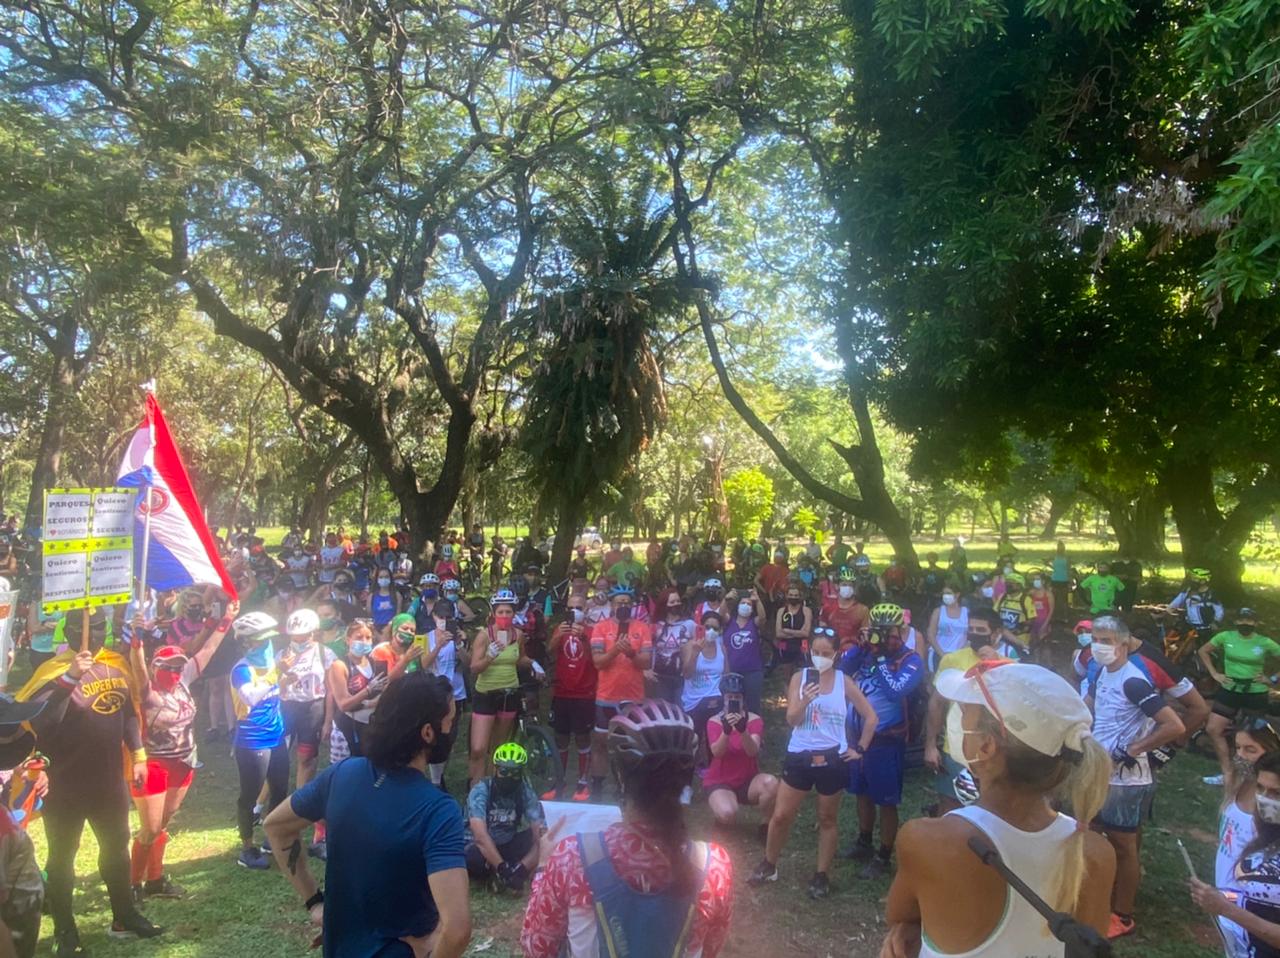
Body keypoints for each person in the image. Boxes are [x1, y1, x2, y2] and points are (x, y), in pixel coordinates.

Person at [880, 661, 1116, 958]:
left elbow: (901, 916)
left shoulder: (929, 839)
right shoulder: (1096, 852)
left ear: (987, 747)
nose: (958, 721)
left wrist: (911, 928)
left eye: (964, 713)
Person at [264, 671, 471, 958]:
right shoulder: (438, 810)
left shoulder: (342, 773)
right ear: (428, 732)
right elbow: (457, 929)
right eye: (449, 721)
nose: (453, 729)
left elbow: (276, 826)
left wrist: (314, 901)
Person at [520, 699, 734, 958]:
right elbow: (710, 949)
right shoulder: (714, 867)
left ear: (620, 776)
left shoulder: (572, 858)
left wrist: (543, 866)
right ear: (685, 782)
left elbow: (536, 947)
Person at [17, 608, 161, 951]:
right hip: (65, 783)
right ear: (67, 632)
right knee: (62, 855)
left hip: (107, 779)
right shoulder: (51, 672)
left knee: (116, 847)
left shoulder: (114, 663)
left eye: (99, 627)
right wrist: (68, 679)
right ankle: (66, 931)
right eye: (85, 628)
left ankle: (124, 914)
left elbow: (127, 710)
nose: (93, 634)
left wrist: (139, 755)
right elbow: (42, 725)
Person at [748, 630, 879, 899]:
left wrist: (860, 749)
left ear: (836, 655)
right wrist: (806, 699)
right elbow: (792, 720)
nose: (820, 658)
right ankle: (769, 864)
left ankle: (821, 875)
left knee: (827, 818)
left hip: (833, 758)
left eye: (826, 654)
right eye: (816, 653)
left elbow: (871, 717)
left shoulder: (844, 682)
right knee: (782, 815)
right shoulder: (800, 678)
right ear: (810, 653)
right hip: (799, 755)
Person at [1085, 614, 1186, 938]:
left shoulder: (1133, 680)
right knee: (1094, 835)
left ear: (1125, 645)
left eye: (1107, 641)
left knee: (1125, 846)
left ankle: (1123, 915)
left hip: (1126, 781)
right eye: (1095, 639)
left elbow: (1175, 725)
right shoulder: (1102, 672)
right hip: (1100, 772)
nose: (1099, 646)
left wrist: (1133, 749)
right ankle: (1099, 897)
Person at [128, 601, 238, 903]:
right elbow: (138, 669)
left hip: (184, 762)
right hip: (153, 764)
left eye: (178, 666)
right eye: (168, 667)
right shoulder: (148, 691)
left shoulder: (184, 682)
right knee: (149, 828)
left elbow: (206, 652)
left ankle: (155, 879)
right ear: (156, 668)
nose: (175, 671)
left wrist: (225, 621)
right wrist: (136, 641)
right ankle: (132, 883)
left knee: (163, 825)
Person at [838, 603, 926, 878]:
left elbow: (895, 690)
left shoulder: (910, 660)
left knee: (886, 801)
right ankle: (864, 841)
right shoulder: (867, 653)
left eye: (888, 632)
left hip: (887, 740)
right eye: (878, 632)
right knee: (861, 792)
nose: (883, 637)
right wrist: (862, 647)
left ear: (900, 630)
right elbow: (840, 669)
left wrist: (879, 660)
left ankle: (884, 855)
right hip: (858, 738)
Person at [1202, 719, 1280, 957]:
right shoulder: (1240, 785)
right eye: (1238, 748)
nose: (1241, 756)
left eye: (1250, 749)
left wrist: (1229, 908)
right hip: (1234, 903)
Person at [921, 609, 1004, 815]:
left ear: (995, 634)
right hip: (955, 750)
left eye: (981, 629)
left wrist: (995, 664)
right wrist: (931, 745)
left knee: (989, 811)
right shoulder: (952, 660)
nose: (975, 633)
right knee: (950, 808)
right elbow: (937, 703)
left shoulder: (1009, 665)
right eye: (971, 629)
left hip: (991, 753)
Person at [228, 611, 290, 871]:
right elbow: (251, 698)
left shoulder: (271, 664)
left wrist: (286, 678)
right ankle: (247, 849)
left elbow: (277, 693)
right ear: (246, 642)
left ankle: (271, 838)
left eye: (268, 640)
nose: (267, 645)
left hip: (276, 736)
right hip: (253, 741)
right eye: (260, 641)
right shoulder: (242, 669)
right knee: (250, 796)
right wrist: (275, 673)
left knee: (280, 789)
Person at [276, 608, 335, 860]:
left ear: (314, 633)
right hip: (288, 706)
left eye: (304, 636)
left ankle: (300, 805)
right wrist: (282, 672)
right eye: (295, 636)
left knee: (306, 759)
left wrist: (328, 721)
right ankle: (268, 805)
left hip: (313, 707)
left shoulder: (325, 653)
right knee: (277, 758)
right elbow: (273, 687)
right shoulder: (281, 654)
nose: (299, 641)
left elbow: (332, 690)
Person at [1199, 608, 1280, 789]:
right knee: (1213, 728)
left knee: (1256, 736)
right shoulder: (1226, 637)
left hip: (1255, 691)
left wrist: (1272, 679)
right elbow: (1203, 651)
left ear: (1256, 623)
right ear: (1236, 622)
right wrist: (1215, 674)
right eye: (1242, 620)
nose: (1246, 624)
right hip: (1230, 688)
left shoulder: (1264, 642)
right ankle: (1227, 772)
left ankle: (1259, 774)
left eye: (1250, 621)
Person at [589, 586, 653, 797]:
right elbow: (598, 663)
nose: (623, 606)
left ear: (632, 606)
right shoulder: (600, 628)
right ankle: (597, 787)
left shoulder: (642, 628)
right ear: (612, 605)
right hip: (606, 696)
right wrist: (616, 649)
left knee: (632, 743)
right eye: (619, 602)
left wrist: (631, 653)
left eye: (627, 602)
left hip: (633, 697)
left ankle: (628, 787)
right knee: (600, 743)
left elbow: (646, 663)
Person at [469, 590, 530, 788]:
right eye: (501, 612)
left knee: (498, 749)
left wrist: (533, 665)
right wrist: (490, 656)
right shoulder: (484, 636)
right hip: (486, 694)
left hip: (508, 693)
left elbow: (519, 659)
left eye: (508, 612)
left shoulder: (518, 635)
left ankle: (494, 788)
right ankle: (475, 792)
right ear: (494, 614)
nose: (504, 616)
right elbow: (473, 668)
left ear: (514, 614)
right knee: (478, 748)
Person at [465, 743, 546, 890]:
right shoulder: (481, 791)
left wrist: (522, 869)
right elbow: (480, 836)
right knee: (473, 858)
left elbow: (540, 832)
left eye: (515, 772)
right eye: (504, 771)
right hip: (477, 845)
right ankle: (499, 869)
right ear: (495, 768)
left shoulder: (525, 792)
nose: (509, 777)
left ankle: (514, 869)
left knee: (546, 838)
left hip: (508, 842)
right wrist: (503, 869)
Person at [704, 673, 778, 835]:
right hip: (720, 780)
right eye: (730, 696)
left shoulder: (754, 720)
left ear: (743, 699)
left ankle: (765, 826)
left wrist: (743, 730)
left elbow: (753, 751)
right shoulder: (714, 722)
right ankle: (721, 814)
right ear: (723, 698)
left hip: (748, 780)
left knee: (771, 784)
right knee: (728, 813)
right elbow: (717, 752)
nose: (734, 700)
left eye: (737, 697)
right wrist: (726, 731)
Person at [546, 594, 596, 801]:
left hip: (584, 692)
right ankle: (560, 779)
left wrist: (585, 637)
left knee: (583, 737)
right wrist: (557, 637)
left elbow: (599, 659)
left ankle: (583, 781)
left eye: (578, 607)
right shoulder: (560, 628)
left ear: (585, 609)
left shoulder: (593, 630)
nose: (574, 610)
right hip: (562, 691)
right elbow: (549, 653)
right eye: (571, 607)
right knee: (561, 737)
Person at [325, 620, 388, 762]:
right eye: (359, 637)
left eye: (368, 638)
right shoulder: (339, 665)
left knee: (369, 773)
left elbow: (384, 694)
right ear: (348, 640)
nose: (364, 642)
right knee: (344, 776)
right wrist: (368, 691)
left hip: (371, 728)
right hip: (346, 729)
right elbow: (343, 704)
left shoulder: (375, 662)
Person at [423, 599, 468, 786]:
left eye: (448, 617)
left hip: (456, 693)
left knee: (450, 739)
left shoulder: (460, 636)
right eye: (440, 616)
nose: (443, 620)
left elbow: (468, 664)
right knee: (436, 736)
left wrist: (459, 645)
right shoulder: (427, 638)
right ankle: (435, 780)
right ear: (433, 617)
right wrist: (439, 645)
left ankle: (440, 776)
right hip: (434, 694)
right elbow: (424, 664)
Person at [682, 611, 727, 769]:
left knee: (714, 735)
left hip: (715, 697)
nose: (711, 631)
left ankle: (714, 766)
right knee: (693, 737)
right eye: (707, 627)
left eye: (715, 628)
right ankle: (691, 766)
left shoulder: (722, 648)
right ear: (701, 627)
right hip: (694, 699)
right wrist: (695, 653)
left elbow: (727, 675)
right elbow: (687, 674)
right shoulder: (689, 646)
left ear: (720, 631)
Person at [723, 589, 767, 716]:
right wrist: (726, 599)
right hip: (731, 671)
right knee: (731, 706)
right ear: (737, 606)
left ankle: (754, 731)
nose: (746, 606)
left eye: (749, 604)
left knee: (753, 706)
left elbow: (763, 617)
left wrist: (757, 600)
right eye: (743, 603)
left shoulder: (754, 623)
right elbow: (721, 613)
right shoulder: (729, 622)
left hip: (752, 672)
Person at [650, 594, 696, 705]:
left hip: (682, 677)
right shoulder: (657, 626)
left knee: (680, 710)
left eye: (678, 601)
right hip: (659, 677)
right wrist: (646, 669)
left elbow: (697, 646)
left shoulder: (689, 624)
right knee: (663, 712)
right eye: (672, 602)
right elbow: (647, 648)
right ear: (664, 605)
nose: (676, 604)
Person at [820, 570, 870, 652]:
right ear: (837, 586)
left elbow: (865, 634)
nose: (848, 587)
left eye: (851, 585)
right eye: (844, 584)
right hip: (832, 651)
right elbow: (821, 633)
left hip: (853, 652)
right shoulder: (827, 608)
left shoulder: (863, 610)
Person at [924, 583, 969, 672]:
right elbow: (931, 634)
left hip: (960, 655)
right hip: (938, 654)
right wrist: (942, 654)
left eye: (948, 593)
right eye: (944, 593)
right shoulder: (938, 611)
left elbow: (970, 635)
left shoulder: (966, 612)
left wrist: (959, 653)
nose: (945, 596)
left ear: (957, 594)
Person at [1171, 567, 1225, 637]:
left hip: (1207, 629)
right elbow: (1173, 605)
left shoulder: (1211, 594)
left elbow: (1219, 610)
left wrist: (1216, 622)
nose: (1193, 581)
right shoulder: (1187, 592)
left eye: (1195, 579)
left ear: (1203, 581)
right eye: (1192, 578)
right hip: (1189, 629)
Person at [774, 584, 812, 684]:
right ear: (787, 596)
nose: (793, 597)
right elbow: (778, 633)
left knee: (802, 675)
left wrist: (787, 631)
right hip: (784, 646)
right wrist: (798, 633)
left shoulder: (806, 611)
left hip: (802, 646)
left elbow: (806, 633)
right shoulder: (781, 611)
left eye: (796, 595)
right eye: (791, 595)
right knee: (786, 676)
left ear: (800, 596)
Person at [367, 567, 400, 634]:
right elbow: (369, 616)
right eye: (381, 577)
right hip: (375, 631)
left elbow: (398, 615)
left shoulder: (397, 595)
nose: (384, 579)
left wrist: (388, 628)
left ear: (390, 578)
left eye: (386, 577)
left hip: (391, 630)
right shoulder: (371, 596)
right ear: (377, 579)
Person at [1050, 540, 1072, 620]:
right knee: (1055, 599)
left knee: (1064, 600)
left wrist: (1070, 580)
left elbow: (1069, 570)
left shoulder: (1066, 558)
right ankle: (1055, 616)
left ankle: (1064, 616)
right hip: (1056, 579)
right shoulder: (1055, 557)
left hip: (1062, 580)